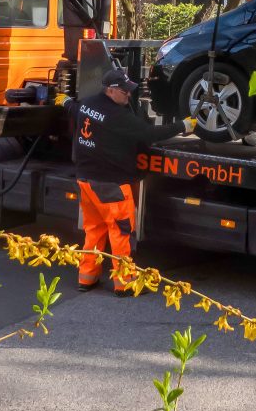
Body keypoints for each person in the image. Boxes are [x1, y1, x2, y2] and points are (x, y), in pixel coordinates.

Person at [57, 69, 196, 295]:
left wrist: (64, 101)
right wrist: (183, 126)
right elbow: (149, 134)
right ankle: (125, 284)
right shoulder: (118, 117)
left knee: (94, 230)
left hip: (86, 181)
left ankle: (87, 278)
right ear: (110, 91)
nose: (129, 96)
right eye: (124, 92)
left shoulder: (87, 104)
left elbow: (73, 108)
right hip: (111, 185)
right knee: (121, 233)